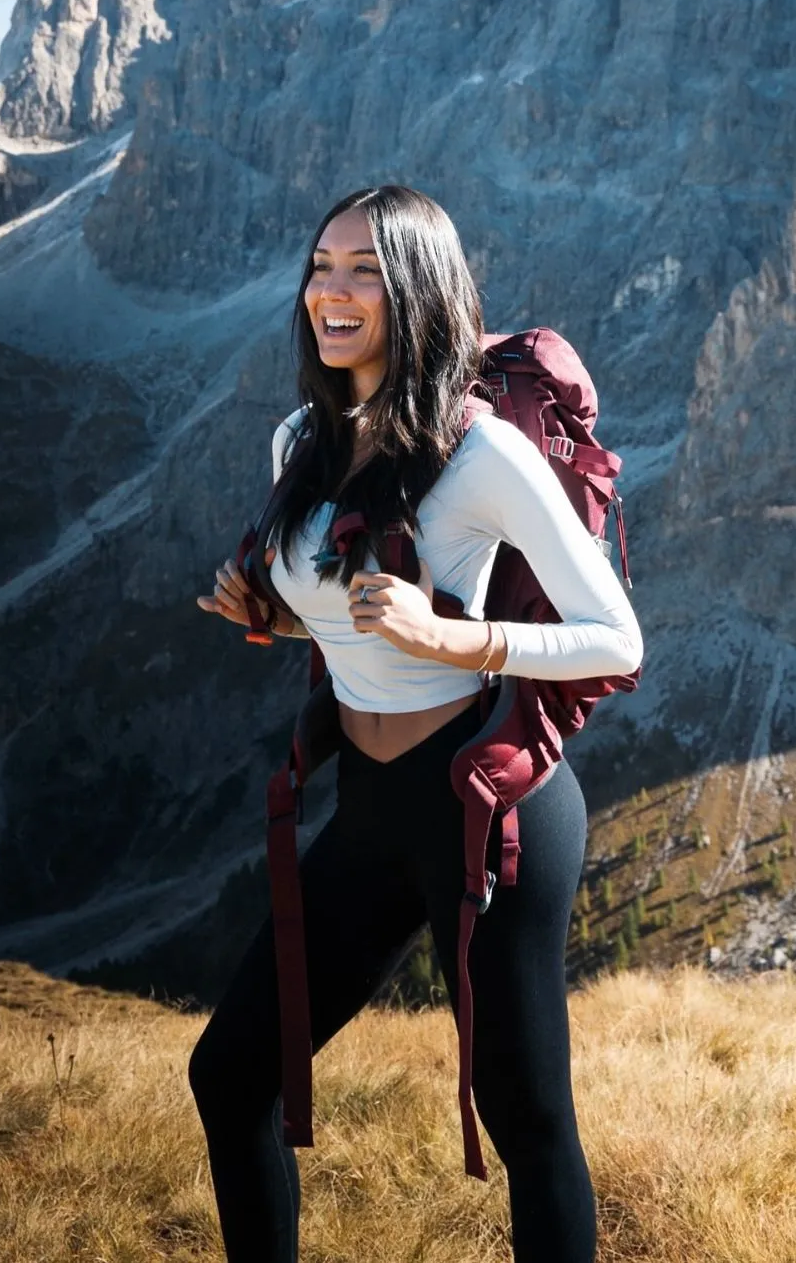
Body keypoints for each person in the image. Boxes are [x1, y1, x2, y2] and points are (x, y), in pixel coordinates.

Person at [189, 184, 644, 1262]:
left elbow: (616, 638)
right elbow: (356, 628)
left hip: (490, 809)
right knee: (232, 1071)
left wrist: (462, 639)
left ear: (419, 291)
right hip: (374, 806)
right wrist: (274, 614)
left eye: (365, 272)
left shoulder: (483, 454)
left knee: (526, 1117)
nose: (331, 293)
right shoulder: (298, 437)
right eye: (322, 265)